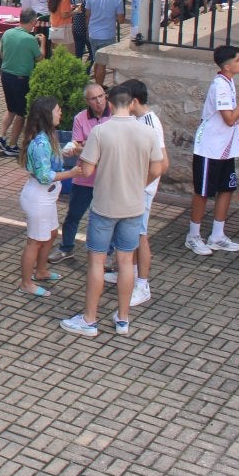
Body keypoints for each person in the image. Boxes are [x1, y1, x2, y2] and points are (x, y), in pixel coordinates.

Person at [60, 85, 164, 338]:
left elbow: (86, 171)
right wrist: (138, 184)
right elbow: (158, 168)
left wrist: (81, 156)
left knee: (96, 261)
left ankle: (90, 319)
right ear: (130, 104)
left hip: (105, 205)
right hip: (133, 205)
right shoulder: (147, 131)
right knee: (126, 261)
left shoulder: (100, 132)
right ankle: (123, 318)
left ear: (111, 102)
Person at [187, 45, 239, 256]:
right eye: (238, 60)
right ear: (227, 66)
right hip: (210, 148)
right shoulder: (220, 86)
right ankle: (193, 236)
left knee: (226, 188)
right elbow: (229, 119)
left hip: (225, 149)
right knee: (203, 192)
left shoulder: (229, 81)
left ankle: (217, 235)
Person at [18, 97, 78, 296]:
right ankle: (26, 283)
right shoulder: (41, 142)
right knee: (34, 240)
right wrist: (72, 173)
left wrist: (65, 153)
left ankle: (41, 271)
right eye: (58, 110)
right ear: (47, 114)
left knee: (51, 233)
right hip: (39, 197)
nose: (61, 113)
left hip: (46, 197)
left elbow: (50, 160)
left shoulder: (46, 136)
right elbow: (45, 176)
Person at [51, 83, 110, 264]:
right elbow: (75, 147)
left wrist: (86, 147)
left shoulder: (116, 116)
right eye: (94, 98)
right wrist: (86, 148)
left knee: (107, 218)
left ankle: (109, 253)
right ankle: (66, 247)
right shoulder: (80, 118)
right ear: (87, 101)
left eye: (101, 96)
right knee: (74, 215)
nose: (99, 101)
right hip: (84, 177)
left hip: (107, 179)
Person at [121, 79, 167, 307]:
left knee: (140, 235)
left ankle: (142, 285)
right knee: (134, 234)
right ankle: (132, 272)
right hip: (137, 188)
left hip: (143, 190)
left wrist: (140, 187)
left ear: (135, 101)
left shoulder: (149, 123)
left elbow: (162, 163)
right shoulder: (140, 120)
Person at [0, 9, 44, 156]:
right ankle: (12, 145)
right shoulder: (30, 39)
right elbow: (40, 57)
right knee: (21, 113)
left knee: (11, 109)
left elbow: (1, 54)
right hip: (21, 78)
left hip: (5, 75)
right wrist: (43, 43)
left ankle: (2, 136)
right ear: (33, 22)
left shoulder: (7, 33)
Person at [84, 0, 124, 86]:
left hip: (93, 33)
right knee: (102, 64)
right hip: (107, 34)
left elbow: (87, 14)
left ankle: (97, 83)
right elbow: (121, 20)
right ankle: (99, 87)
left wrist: (88, 28)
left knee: (97, 60)